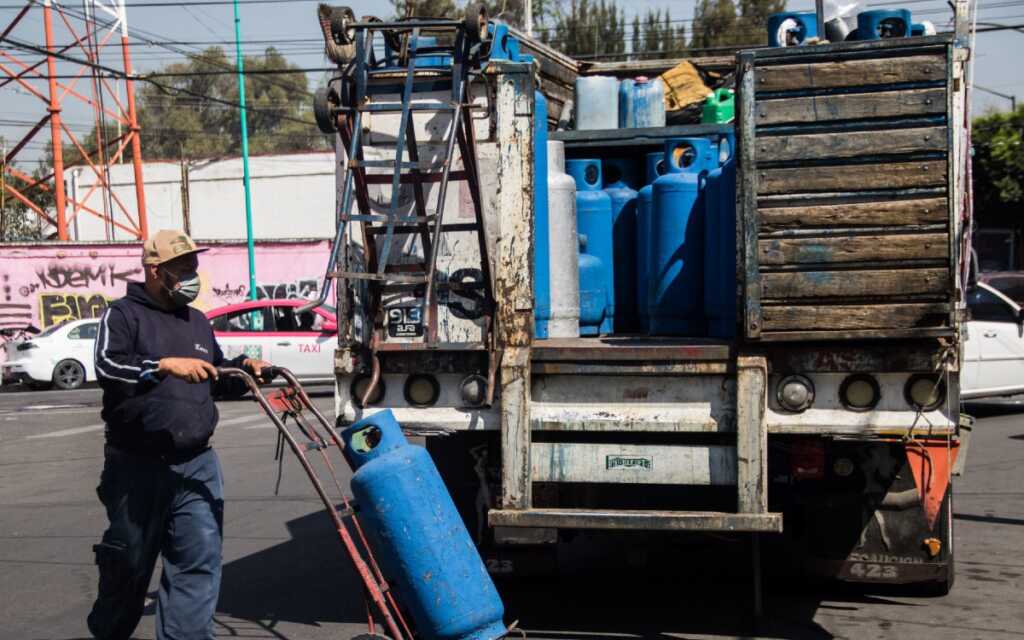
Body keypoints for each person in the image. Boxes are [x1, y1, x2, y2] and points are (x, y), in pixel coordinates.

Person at [87, 230, 272, 640]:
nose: (193, 273)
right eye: (183, 266)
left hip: (196, 463)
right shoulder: (123, 316)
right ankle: (109, 628)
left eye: (194, 264)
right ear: (156, 271)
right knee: (131, 564)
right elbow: (107, 368)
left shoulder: (198, 322)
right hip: (136, 466)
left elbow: (215, 377)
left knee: (198, 560)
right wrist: (160, 366)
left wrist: (244, 370)